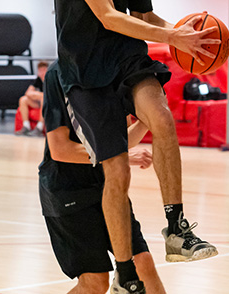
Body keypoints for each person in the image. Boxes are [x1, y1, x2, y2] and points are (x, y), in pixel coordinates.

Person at [54, 0, 218, 293]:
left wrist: (190, 41)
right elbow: (108, 15)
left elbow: (141, 15)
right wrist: (169, 36)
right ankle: (125, 272)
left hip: (126, 57)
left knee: (162, 120)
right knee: (117, 171)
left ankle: (177, 229)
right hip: (86, 70)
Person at [40, 62, 166, 294]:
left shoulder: (113, 69)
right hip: (67, 188)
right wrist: (120, 156)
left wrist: (149, 120)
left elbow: (120, 140)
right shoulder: (57, 74)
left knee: (143, 263)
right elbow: (60, 149)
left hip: (107, 185)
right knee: (95, 282)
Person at [15, 61, 49, 136]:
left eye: (44, 70)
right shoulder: (38, 80)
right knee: (23, 99)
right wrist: (37, 95)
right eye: (40, 70)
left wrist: (38, 95)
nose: (42, 72)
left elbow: (49, 95)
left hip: (50, 103)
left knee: (44, 97)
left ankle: (39, 127)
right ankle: (26, 126)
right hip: (40, 102)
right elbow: (28, 93)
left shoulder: (51, 79)